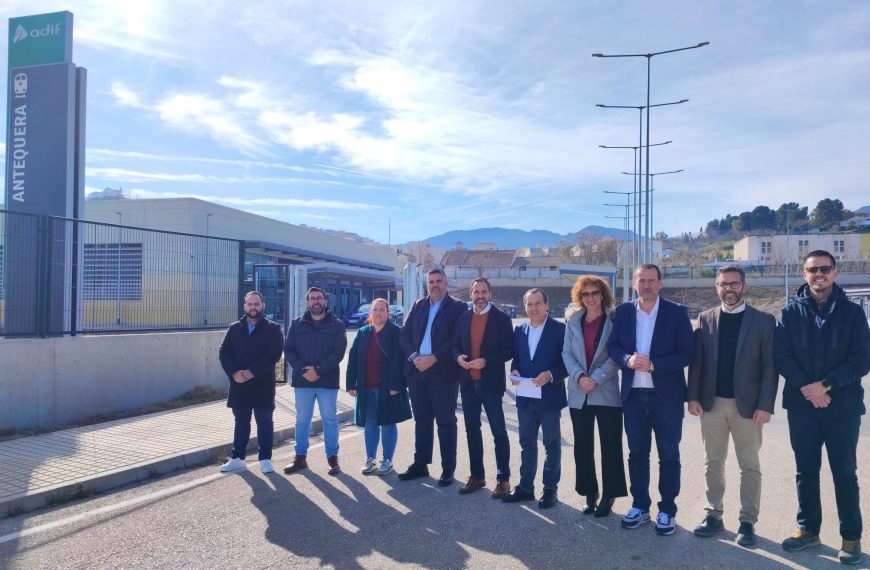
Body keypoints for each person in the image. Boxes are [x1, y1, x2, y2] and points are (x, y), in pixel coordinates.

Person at [775, 250, 869, 565]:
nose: (819, 274)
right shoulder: (789, 313)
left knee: (844, 473)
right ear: (804, 275)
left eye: (824, 269)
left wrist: (826, 385)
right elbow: (782, 356)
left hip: (842, 407)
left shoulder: (853, 314)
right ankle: (808, 530)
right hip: (802, 407)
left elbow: (862, 359)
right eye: (812, 269)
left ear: (835, 272)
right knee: (806, 471)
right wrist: (810, 389)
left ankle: (851, 538)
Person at [687, 266, 777, 547]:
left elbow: (769, 369)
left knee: (749, 464)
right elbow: (697, 363)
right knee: (713, 462)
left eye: (734, 284)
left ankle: (747, 521)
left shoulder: (763, 321)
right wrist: (693, 397)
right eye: (723, 284)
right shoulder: (706, 319)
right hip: (712, 404)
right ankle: (714, 515)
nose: (729, 288)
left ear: (744, 286)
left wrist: (765, 405)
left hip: (748, 407)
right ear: (716, 287)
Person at [607, 264, 694, 536]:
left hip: (666, 398)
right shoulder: (621, 312)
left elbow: (686, 353)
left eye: (651, 280)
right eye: (641, 280)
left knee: (669, 455)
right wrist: (627, 360)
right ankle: (640, 506)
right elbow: (613, 347)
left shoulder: (677, 313)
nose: (646, 285)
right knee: (637, 454)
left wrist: (654, 365)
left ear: (660, 283)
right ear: (634, 283)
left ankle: (667, 509)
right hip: (633, 397)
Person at [562, 275, 627, 518]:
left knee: (610, 446)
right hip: (579, 393)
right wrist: (580, 377)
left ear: (603, 295)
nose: (590, 298)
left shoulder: (614, 320)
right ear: (580, 297)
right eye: (585, 294)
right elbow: (566, 353)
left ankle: (610, 494)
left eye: (595, 293)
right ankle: (590, 492)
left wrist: (595, 379)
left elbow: (617, 354)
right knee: (583, 447)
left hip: (606, 392)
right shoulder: (572, 321)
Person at [398, 268, 467, 485]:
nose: (434, 285)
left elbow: (457, 338)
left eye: (438, 281)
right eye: (431, 282)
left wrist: (435, 358)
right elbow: (404, 333)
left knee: (446, 421)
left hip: (443, 373)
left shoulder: (458, 307)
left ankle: (448, 468)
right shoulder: (419, 305)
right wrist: (414, 356)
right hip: (417, 372)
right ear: (426, 284)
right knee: (422, 420)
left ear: (446, 284)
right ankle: (421, 464)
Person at [502, 288, 568, 509]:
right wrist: (515, 373)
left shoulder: (560, 330)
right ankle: (526, 487)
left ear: (547, 305)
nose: (534, 308)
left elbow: (567, 364)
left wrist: (550, 375)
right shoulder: (519, 330)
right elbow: (517, 360)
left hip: (549, 396)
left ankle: (550, 489)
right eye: (529, 304)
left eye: (538, 303)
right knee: (526, 443)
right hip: (525, 397)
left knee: (551, 444)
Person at [453, 278, 514, 498]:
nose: (480, 295)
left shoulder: (501, 319)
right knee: (472, 431)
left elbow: (508, 350)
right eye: (476, 291)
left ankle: (503, 479)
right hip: (468, 384)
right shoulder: (463, 318)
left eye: (484, 292)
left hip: (490, 385)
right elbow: (455, 345)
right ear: (470, 294)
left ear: (490, 293)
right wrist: (457, 357)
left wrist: (486, 360)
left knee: (499, 432)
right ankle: (477, 476)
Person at [283, 287, 348, 476]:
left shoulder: (337, 325)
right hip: (303, 381)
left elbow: (339, 352)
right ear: (307, 302)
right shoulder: (296, 324)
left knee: (330, 420)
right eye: (312, 298)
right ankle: (300, 457)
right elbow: (289, 350)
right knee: (302, 420)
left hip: (326, 381)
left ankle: (332, 458)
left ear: (326, 301)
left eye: (319, 298)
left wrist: (318, 371)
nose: (316, 301)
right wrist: (305, 370)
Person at [218, 291, 284, 474]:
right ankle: (237, 458)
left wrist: (251, 372)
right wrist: (234, 373)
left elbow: (274, 354)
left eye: (256, 304)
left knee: (264, 422)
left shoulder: (273, 329)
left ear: (263, 306)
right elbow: (224, 352)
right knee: (241, 422)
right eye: (250, 304)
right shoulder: (234, 328)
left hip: (262, 384)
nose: (253, 307)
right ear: (244, 306)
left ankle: (265, 459)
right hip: (239, 384)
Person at [346, 298, 413, 476]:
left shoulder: (396, 332)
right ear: (371, 313)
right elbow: (353, 359)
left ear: (388, 313)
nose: (378, 313)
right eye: (375, 310)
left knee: (388, 422)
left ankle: (388, 460)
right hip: (366, 386)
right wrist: (350, 383)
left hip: (388, 387)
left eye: (382, 310)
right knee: (370, 423)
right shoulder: (362, 332)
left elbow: (400, 359)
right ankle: (370, 459)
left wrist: (397, 384)